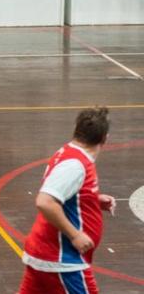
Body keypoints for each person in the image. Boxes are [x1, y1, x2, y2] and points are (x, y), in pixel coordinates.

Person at [19, 108, 116, 294]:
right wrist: (75, 235)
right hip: (62, 261)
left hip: (45, 254)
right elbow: (45, 201)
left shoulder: (69, 153)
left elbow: (62, 192)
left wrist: (91, 200)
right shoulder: (75, 165)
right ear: (105, 138)